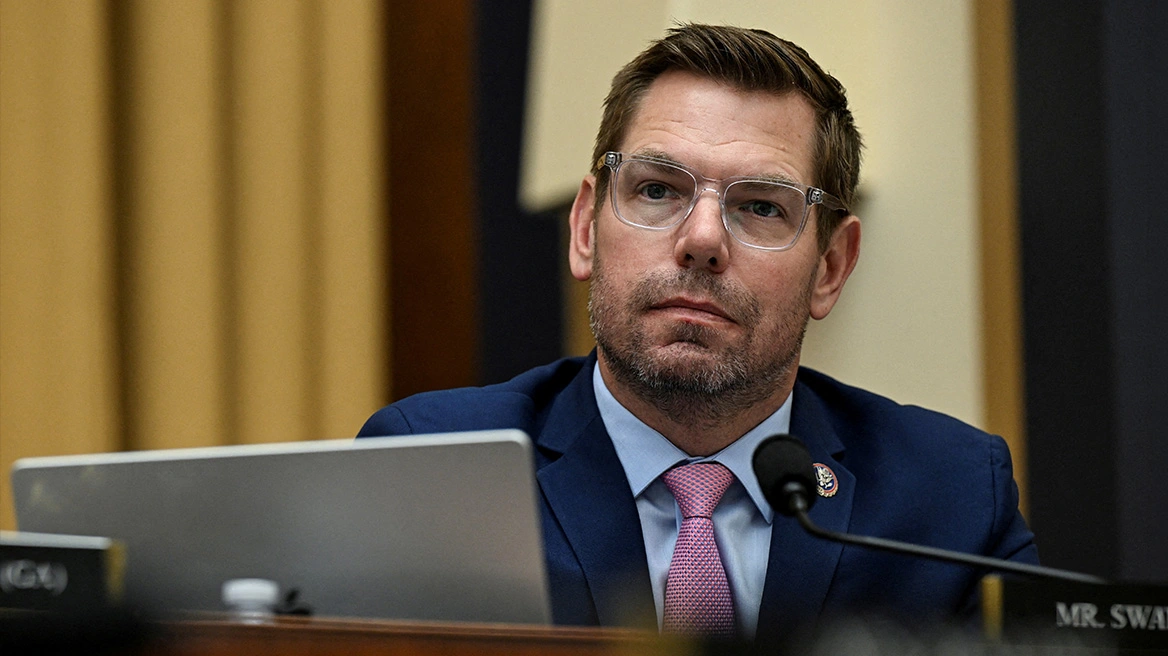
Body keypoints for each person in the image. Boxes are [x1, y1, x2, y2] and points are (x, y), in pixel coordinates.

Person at [358, 24, 1038, 643]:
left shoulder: (948, 499)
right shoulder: (433, 470)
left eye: (761, 206)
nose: (703, 239)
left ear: (831, 268)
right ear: (586, 228)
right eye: (657, 190)